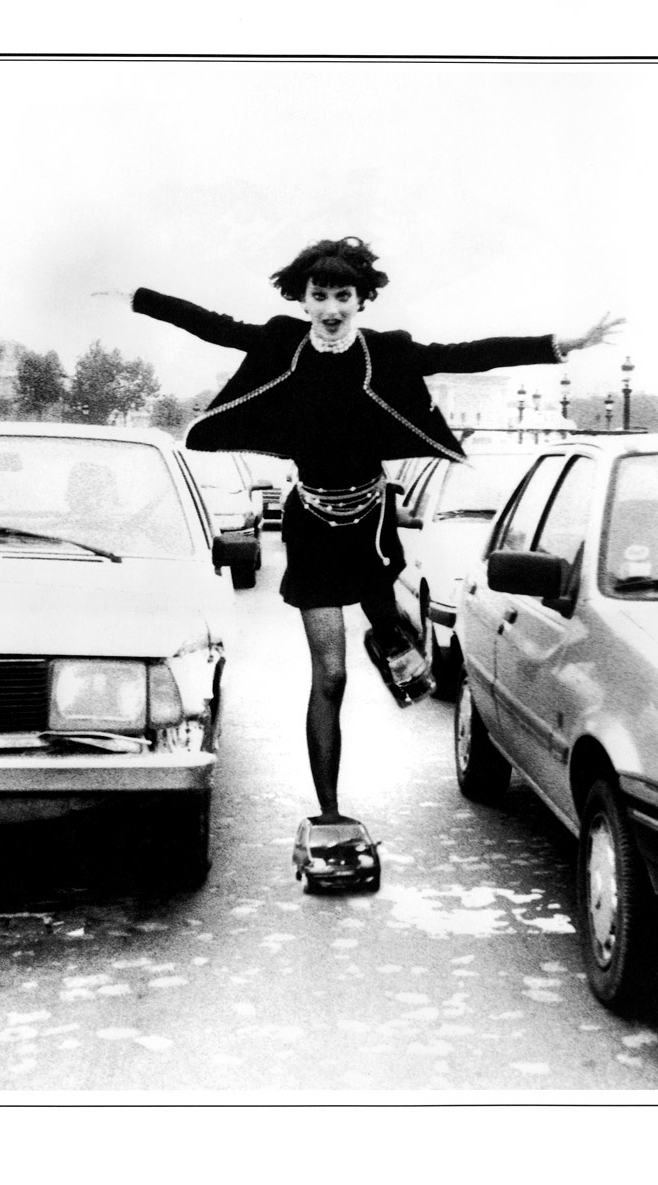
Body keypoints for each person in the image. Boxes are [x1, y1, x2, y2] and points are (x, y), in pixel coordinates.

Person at [97, 236, 623, 828]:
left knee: (386, 617)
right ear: (302, 300)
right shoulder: (282, 342)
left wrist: (560, 344)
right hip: (313, 525)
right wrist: (136, 297)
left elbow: (467, 354)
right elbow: (211, 325)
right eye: (319, 296)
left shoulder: (387, 351)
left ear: (361, 300)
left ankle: (391, 639)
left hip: (371, 521)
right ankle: (329, 812)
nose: (331, 309)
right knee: (332, 674)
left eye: (343, 296)